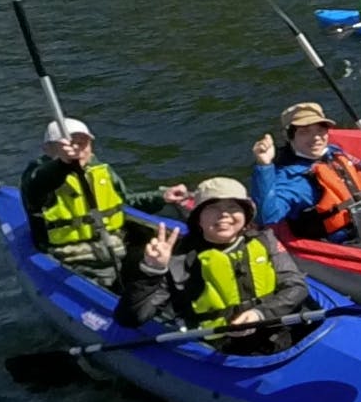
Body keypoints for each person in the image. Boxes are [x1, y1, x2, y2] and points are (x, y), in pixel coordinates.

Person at [119, 177, 309, 355]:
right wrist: (153, 271)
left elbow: (296, 286)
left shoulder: (265, 240)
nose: (224, 214)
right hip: (218, 348)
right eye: (213, 208)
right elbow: (131, 318)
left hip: (274, 333)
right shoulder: (180, 259)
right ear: (198, 218)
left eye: (233, 207)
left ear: (245, 214)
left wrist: (261, 314)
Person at [20, 118, 189, 289]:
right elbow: (38, 185)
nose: (77, 150)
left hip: (116, 251)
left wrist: (162, 197)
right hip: (75, 261)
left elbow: (127, 201)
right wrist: (63, 164)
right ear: (47, 149)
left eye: (82, 143)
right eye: (68, 146)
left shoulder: (102, 171)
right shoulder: (38, 176)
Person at [251, 101, 361, 250]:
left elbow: (359, 191)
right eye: (305, 132)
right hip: (350, 246)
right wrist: (264, 166)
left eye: (320, 130)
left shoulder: (334, 153)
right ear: (289, 136)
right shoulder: (292, 178)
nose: (316, 137)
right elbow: (268, 216)